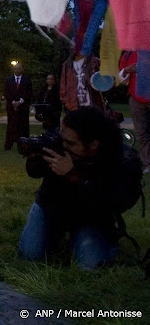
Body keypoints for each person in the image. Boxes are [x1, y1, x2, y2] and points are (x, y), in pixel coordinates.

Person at [18, 107, 140, 269]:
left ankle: (101, 242)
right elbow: (34, 172)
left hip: (91, 218)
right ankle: (55, 236)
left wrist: (75, 176)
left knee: (91, 265)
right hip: (51, 208)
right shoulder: (60, 141)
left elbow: (118, 202)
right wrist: (35, 157)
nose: (64, 145)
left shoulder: (119, 159)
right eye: (63, 139)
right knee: (29, 256)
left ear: (93, 144)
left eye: (71, 143)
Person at [119, 51, 150, 174]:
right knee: (142, 133)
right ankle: (147, 163)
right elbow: (121, 79)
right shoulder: (128, 55)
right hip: (136, 99)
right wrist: (126, 70)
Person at [4, 62, 32, 151]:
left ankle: (24, 145)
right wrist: (13, 102)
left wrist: (20, 102)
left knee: (23, 126)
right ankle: (8, 145)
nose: (17, 70)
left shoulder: (27, 80)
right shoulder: (9, 80)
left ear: (22, 69)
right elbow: (6, 93)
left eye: (19, 68)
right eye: (15, 68)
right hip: (11, 107)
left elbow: (29, 93)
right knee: (11, 126)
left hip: (23, 107)